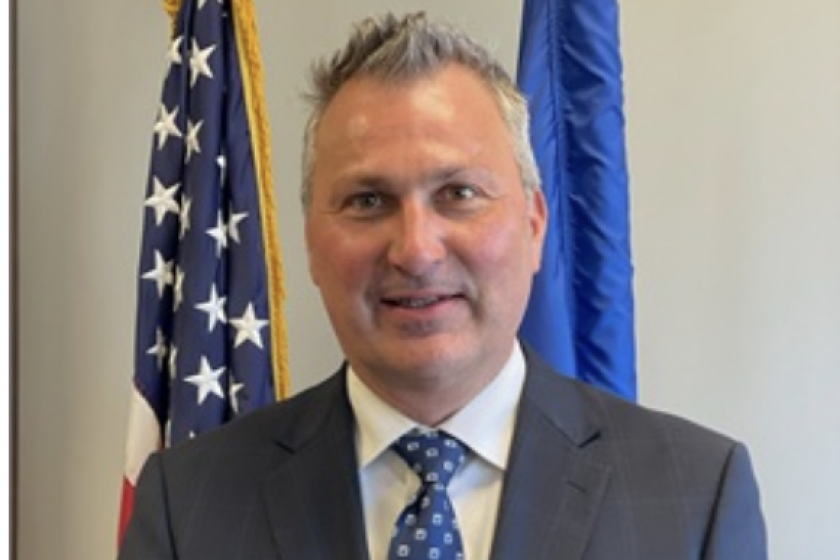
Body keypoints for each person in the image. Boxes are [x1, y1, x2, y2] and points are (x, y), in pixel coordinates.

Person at [118, 12, 767, 560]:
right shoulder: (189, 504)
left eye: (459, 194)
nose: (417, 249)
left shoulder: (696, 498)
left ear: (535, 225)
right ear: (312, 244)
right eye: (368, 200)